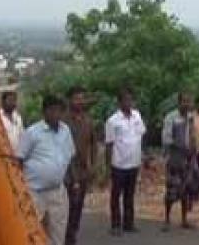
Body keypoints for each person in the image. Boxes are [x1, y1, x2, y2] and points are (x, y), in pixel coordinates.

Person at [18, 95, 75, 245]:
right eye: (52, 110)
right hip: (34, 193)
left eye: (59, 110)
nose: (56, 114)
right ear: (44, 112)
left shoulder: (65, 131)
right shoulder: (32, 133)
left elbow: (69, 156)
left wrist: (72, 182)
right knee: (31, 233)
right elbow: (19, 160)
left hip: (57, 192)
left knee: (57, 234)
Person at [104, 87, 144, 236]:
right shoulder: (112, 121)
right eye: (125, 100)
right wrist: (108, 165)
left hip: (134, 163)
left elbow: (141, 135)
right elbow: (109, 144)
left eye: (130, 100)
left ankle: (129, 223)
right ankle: (115, 224)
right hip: (119, 164)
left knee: (130, 194)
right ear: (119, 102)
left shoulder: (137, 116)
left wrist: (142, 158)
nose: (128, 103)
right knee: (116, 195)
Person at [161, 92, 198, 232]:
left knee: (185, 190)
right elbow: (167, 140)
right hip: (175, 158)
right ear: (179, 102)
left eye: (189, 101)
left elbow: (193, 136)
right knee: (171, 190)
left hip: (187, 159)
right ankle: (166, 219)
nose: (187, 104)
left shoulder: (190, 118)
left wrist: (193, 151)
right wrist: (182, 148)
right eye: (184, 101)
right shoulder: (171, 118)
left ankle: (184, 219)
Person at [63, 86, 96, 245]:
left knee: (78, 206)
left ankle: (72, 234)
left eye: (82, 98)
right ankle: (66, 236)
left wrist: (93, 164)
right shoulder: (63, 121)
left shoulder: (88, 120)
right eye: (76, 98)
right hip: (67, 172)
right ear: (69, 100)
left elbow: (93, 144)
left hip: (83, 170)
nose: (80, 101)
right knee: (68, 206)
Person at [0, 88, 25, 153]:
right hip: (3, 156)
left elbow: (22, 137)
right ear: (3, 102)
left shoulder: (18, 118)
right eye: (10, 100)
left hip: (17, 156)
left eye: (14, 100)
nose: (12, 103)